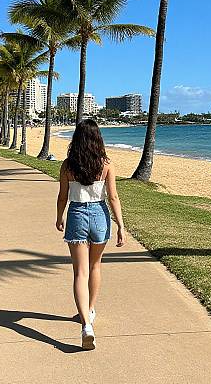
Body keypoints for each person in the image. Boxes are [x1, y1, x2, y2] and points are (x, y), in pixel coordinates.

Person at [56, 119, 126, 350]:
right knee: (95, 267)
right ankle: (90, 310)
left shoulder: (67, 166)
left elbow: (62, 197)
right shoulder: (106, 164)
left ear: (76, 139)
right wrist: (121, 226)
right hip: (99, 215)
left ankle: (86, 323)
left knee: (80, 272)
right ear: (98, 140)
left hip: (76, 214)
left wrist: (59, 217)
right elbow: (113, 197)